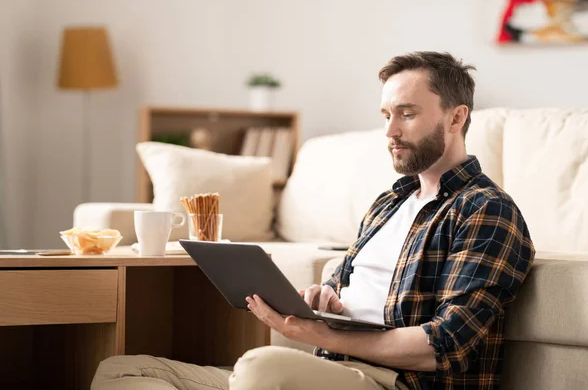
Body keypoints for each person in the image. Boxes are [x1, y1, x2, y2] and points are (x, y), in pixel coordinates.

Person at [91, 51, 535, 390]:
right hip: (329, 370)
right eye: (386, 115)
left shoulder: (485, 210)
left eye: (407, 113)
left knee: (259, 367)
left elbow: (444, 346)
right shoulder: (388, 205)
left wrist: (315, 332)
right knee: (123, 371)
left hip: (396, 382)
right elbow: (344, 290)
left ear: (456, 117)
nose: (390, 132)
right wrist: (328, 300)